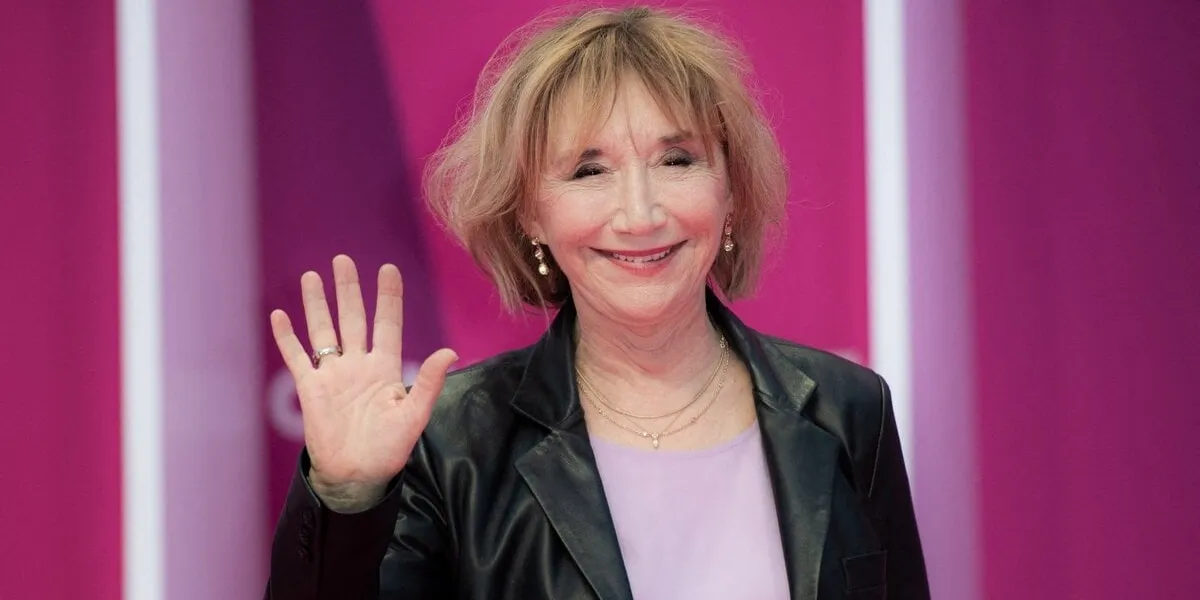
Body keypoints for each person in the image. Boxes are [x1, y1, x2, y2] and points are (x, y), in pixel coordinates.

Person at [264, 6, 928, 599]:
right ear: (530, 214)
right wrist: (347, 499)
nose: (640, 214)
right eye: (590, 171)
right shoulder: (454, 441)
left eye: (677, 160)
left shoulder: (848, 408)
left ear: (729, 191)